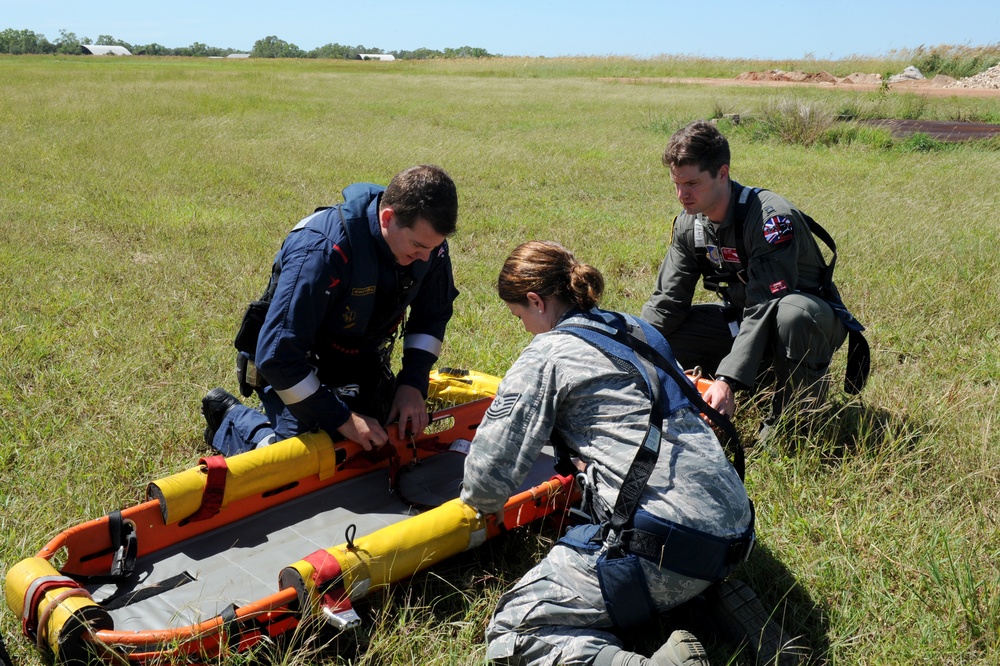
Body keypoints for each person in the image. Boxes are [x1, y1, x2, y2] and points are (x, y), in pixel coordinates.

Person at [460, 241, 755, 666]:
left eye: (519, 317)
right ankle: (713, 601)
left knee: (514, 629)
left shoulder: (549, 353)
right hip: (734, 525)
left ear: (535, 301)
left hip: (664, 542)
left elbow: (486, 485)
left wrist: (464, 500)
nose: (524, 328)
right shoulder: (637, 329)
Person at [202, 164, 459, 456]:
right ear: (388, 218)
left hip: (357, 357)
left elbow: (432, 316)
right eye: (417, 246)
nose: (426, 257)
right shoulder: (321, 250)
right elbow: (277, 357)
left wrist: (413, 383)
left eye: (434, 247)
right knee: (312, 456)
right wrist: (343, 420)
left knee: (385, 438)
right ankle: (229, 418)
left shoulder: (429, 247)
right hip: (292, 365)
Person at [641, 120, 868, 439]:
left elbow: (766, 303)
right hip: (748, 319)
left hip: (805, 322)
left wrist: (728, 379)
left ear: (723, 173)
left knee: (792, 313)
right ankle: (742, 383)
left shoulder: (770, 219)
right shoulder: (689, 225)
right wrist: (630, 349)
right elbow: (667, 303)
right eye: (676, 183)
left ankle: (793, 424)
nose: (682, 195)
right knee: (664, 337)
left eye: (692, 183)